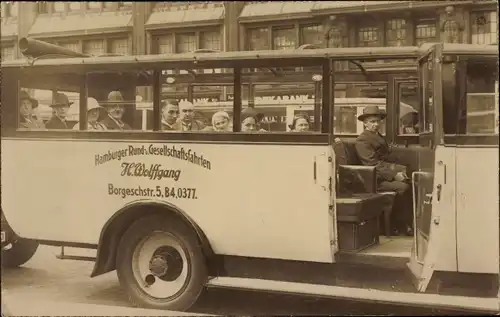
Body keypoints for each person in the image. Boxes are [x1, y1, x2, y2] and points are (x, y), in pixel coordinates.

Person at [354, 106, 413, 236]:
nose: (376, 124)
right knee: (403, 188)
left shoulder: (377, 136)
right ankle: (400, 225)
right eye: (372, 121)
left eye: (378, 121)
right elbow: (372, 163)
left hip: (381, 175)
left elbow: (385, 158)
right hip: (373, 179)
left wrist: (400, 169)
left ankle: (407, 223)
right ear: (365, 123)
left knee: (412, 183)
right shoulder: (363, 140)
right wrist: (393, 175)